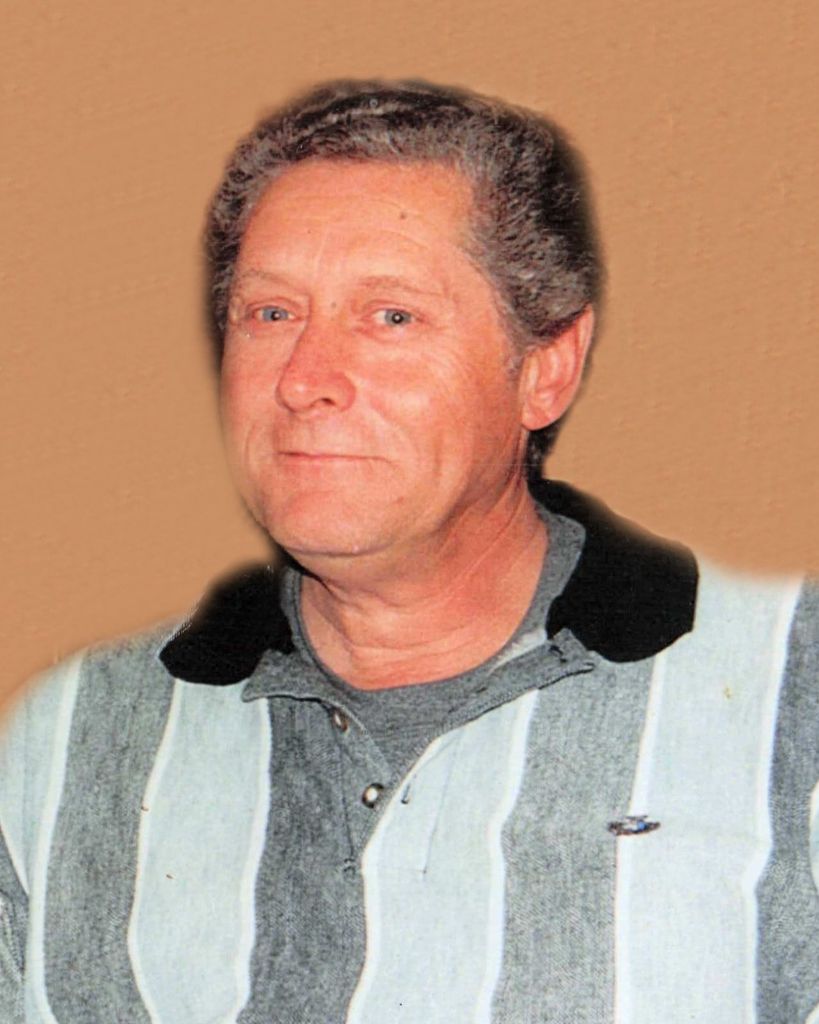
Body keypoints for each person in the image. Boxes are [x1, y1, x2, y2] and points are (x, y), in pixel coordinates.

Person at [1, 79, 816, 1024]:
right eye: (271, 314)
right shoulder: (64, 740)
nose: (304, 380)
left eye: (390, 316)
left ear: (545, 368)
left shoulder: (785, 698)